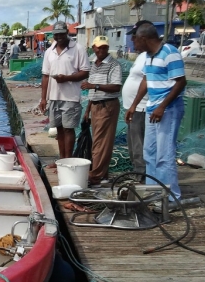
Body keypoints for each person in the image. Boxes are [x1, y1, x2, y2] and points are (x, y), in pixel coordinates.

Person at [125, 23, 187, 200]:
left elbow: (181, 82)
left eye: (135, 39)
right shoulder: (148, 56)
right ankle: (154, 193)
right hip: (151, 108)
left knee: (164, 155)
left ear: (144, 38)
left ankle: (171, 197)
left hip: (168, 110)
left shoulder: (169, 52)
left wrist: (162, 106)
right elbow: (146, 80)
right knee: (149, 153)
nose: (133, 42)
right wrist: (134, 105)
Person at [40, 21, 90, 167]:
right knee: (59, 129)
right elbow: (45, 75)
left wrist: (66, 78)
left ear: (67, 32)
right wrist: (43, 98)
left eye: (62, 33)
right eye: (56, 34)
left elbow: (85, 72)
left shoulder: (78, 49)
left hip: (71, 97)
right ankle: (61, 161)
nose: (59, 36)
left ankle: (68, 163)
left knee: (69, 129)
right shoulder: (49, 51)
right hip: (53, 97)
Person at [81, 35, 123, 188]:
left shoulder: (114, 65)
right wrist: (88, 109)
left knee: (100, 143)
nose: (102, 50)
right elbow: (93, 90)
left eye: (104, 47)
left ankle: (96, 175)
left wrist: (95, 86)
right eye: (99, 47)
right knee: (98, 141)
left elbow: (116, 86)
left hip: (107, 105)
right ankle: (102, 175)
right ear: (94, 48)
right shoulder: (94, 64)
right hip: (95, 105)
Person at [122, 20, 153, 181]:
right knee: (133, 143)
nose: (132, 41)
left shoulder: (151, 56)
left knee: (139, 143)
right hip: (132, 107)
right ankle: (137, 170)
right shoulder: (142, 56)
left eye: (134, 37)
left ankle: (141, 174)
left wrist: (134, 105)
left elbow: (147, 81)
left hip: (141, 108)